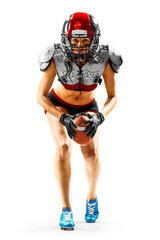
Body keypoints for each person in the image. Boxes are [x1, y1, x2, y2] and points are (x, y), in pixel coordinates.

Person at [37, 12, 123, 230]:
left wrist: (100, 115)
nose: (80, 45)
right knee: (64, 147)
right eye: (75, 40)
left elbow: (113, 96)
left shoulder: (105, 57)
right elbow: (40, 96)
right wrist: (62, 116)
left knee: (92, 157)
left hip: (88, 107)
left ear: (95, 39)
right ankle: (66, 209)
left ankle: (91, 199)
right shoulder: (55, 55)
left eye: (85, 40)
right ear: (66, 39)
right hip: (59, 104)